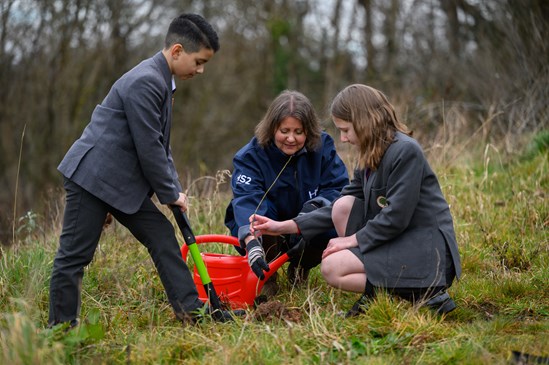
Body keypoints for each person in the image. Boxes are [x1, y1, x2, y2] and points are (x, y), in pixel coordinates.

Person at [49, 13, 240, 327]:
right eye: (199, 61)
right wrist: (168, 194)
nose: (201, 70)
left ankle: (191, 312)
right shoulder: (146, 81)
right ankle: (60, 330)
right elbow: (148, 146)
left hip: (120, 183)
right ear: (177, 51)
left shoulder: (162, 80)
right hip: (93, 178)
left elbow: (161, 146)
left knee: (161, 234)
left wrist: (174, 189)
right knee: (74, 256)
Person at [251, 84, 462, 316]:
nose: (342, 138)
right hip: (396, 240)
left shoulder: (405, 152)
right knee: (343, 206)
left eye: (346, 130)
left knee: (332, 268)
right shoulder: (370, 154)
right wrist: (285, 226)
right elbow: (339, 204)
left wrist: (352, 240)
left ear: (364, 121)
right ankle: (393, 292)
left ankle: (423, 291)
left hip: (425, 250)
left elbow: (396, 216)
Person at [224, 90, 349, 296]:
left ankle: (300, 268)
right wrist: (251, 239)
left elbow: (339, 188)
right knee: (257, 217)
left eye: (298, 132)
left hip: (305, 224)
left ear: (308, 131)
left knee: (333, 217)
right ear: (272, 128)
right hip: (270, 227)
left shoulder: (323, 147)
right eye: (284, 130)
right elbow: (247, 199)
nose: (291, 138)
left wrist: (314, 209)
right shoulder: (250, 156)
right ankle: (267, 276)